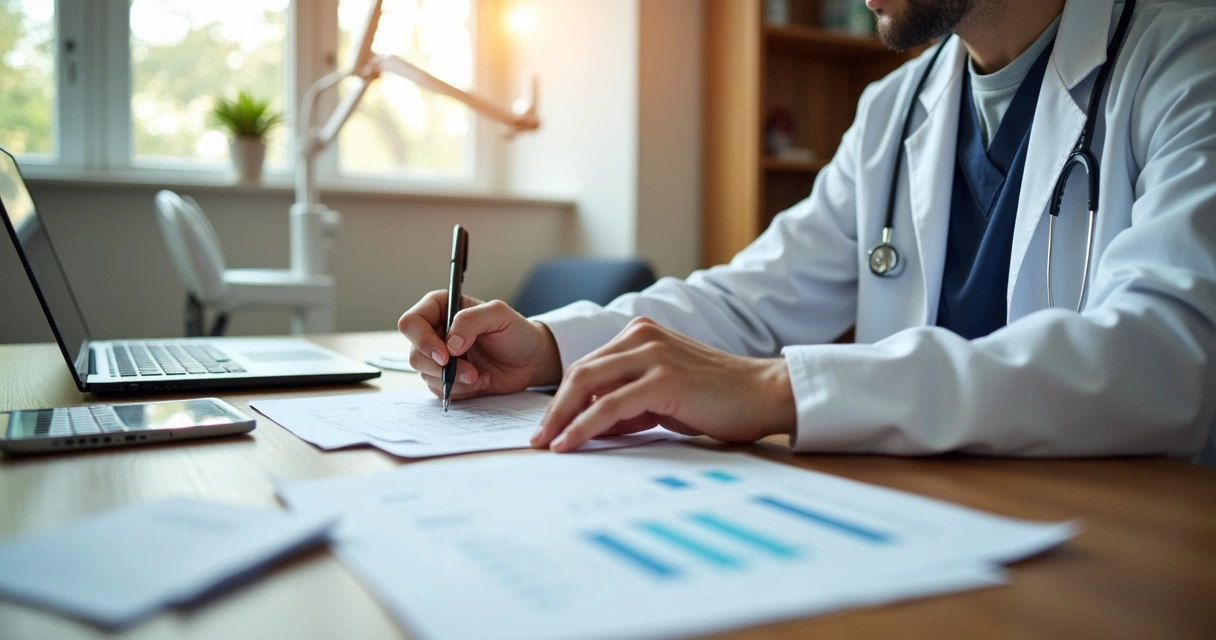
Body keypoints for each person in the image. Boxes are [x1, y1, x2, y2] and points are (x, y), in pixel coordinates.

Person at [398, 0, 1216, 461]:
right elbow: (752, 300)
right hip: (941, 523)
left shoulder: (1186, 57)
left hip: (1122, 544)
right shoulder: (896, 108)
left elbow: (1167, 358)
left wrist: (775, 390)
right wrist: (545, 346)